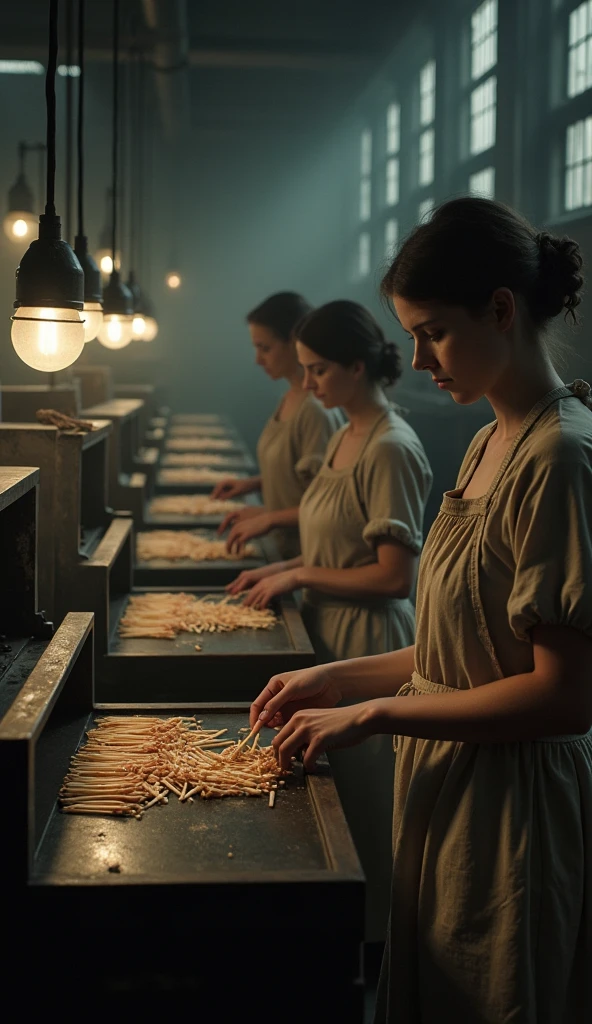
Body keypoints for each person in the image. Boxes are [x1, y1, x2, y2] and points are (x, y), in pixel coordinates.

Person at [248, 198, 592, 1023]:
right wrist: (334, 677)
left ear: (501, 310)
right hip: (452, 780)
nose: (416, 357)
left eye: (432, 331)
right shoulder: (485, 440)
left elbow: (566, 694)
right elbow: (454, 650)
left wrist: (375, 716)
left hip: (514, 805)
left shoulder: (561, 456)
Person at [231, 300, 432, 941]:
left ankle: (370, 951)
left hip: (370, 640)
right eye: (306, 370)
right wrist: (282, 568)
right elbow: (329, 541)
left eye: (319, 370)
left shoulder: (392, 447)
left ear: (356, 364)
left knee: (367, 812)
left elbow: (394, 575)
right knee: (328, 799)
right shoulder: (346, 433)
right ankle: (336, 941)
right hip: (329, 633)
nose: (309, 383)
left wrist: (299, 573)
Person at [211, 292, 342, 560]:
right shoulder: (289, 396)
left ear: (294, 342)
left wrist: (268, 517)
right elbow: (298, 473)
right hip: (281, 550)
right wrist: (254, 484)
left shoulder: (315, 411)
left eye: (265, 348)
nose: (258, 360)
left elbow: (327, 505)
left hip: (306, 557)